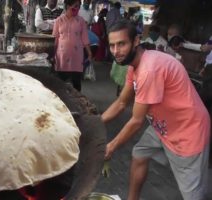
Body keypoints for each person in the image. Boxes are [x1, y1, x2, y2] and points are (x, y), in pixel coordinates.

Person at [102, 19, 210, 200]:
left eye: (121, 44)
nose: (115, 51)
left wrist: (110, 147)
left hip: (187, 131)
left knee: (193, 195)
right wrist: (95, 123)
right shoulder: (134, 65)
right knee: (139, 153)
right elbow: (122, 102)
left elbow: (136, 121)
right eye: (112, 45)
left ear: (136, 41)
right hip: (163, 126)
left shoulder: (148, 70)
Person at [52, 0, 92, 91]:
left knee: (76, 83)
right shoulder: (59, 20)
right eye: (75, 6)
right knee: (60, 83)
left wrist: (89, 53)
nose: (77, 9)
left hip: (76, 57)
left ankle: (77, 102)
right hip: (61, 57)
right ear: (67, 6)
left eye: (78, 7)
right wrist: (52, 55)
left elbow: (85, 38)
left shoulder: (81, 21)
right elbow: (55, 39)